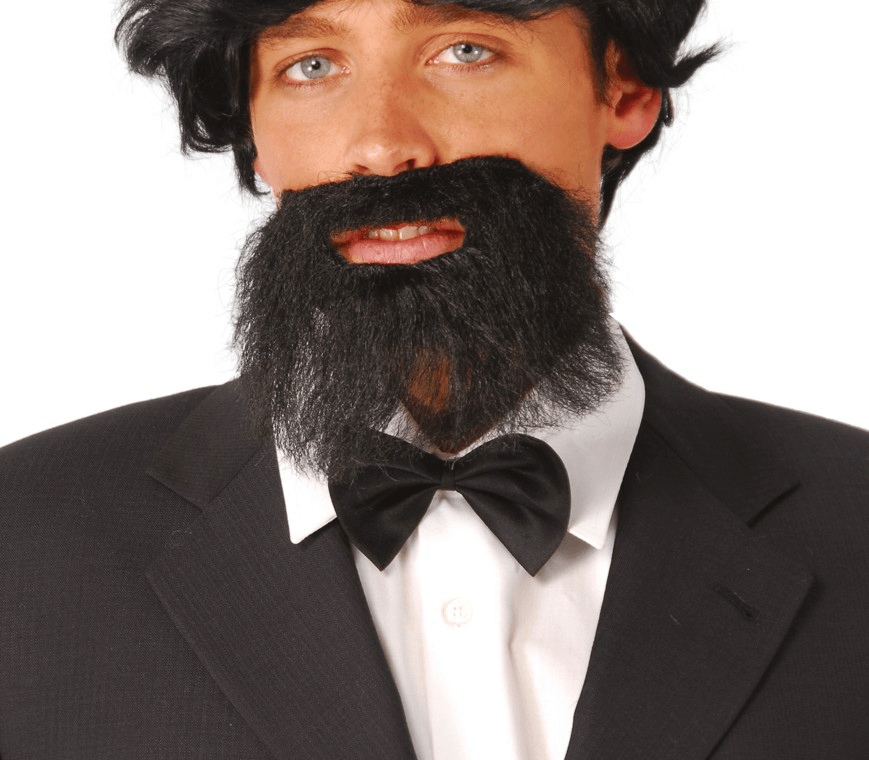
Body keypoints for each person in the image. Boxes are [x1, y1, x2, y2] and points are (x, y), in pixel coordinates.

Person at [1, 0, 867, 758]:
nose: (383, 146)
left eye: (464, 50)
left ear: (625, 89)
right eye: (311, 66)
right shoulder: (23, 542)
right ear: (254, 128)